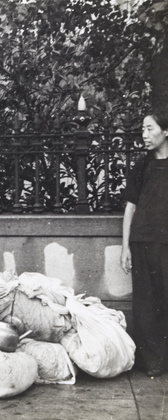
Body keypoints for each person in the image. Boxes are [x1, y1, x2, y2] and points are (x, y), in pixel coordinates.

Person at [121, 112, 168, 378]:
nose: (144, 135)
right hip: (143, 242)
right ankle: (153, 362)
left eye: (150, 129)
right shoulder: (142, 165)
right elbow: (130, 206)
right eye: (142, 130)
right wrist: (126, 246)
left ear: (166, 131)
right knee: (147, 304)